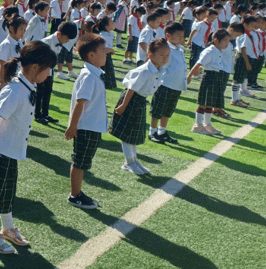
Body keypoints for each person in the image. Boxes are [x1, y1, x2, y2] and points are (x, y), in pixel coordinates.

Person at [0, 41, 57, 255]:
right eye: (48, 69)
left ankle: (7, 228)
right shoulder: (14, 90)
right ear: (35, 68)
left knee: (5, 194)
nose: (49, 74)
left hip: (9, 151)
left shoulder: (27, 88)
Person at [110, 38, 170, 176]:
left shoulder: (158, 69)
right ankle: (129, 162)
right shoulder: (145, 71)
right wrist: (123, 106)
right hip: (131, 100)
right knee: (127, 135)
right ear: (150, 55)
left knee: (134, 134)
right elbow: (132, 89)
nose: (165, 58)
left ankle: (133, 161)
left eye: (167, 55)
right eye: (161, 55)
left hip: (140, 101)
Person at [64, 34, 109, 210]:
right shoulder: (89, 76)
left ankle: (78, 193)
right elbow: (80, 102)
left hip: (92, 126)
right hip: (86, 127)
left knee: (83, 161)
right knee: (79, 161)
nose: (106, 54)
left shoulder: (94, 74)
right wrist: (73, 125)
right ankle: (75, 195)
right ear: (91, 55)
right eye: (103, 51)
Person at [188, 29, 232, 136]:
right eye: (225, 40)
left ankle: (207, 124)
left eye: (228, 41)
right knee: (203, 103)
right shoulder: (210, 51)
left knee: (210, 103)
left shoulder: (218, 51)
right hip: (209, 78)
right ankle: (197, 125)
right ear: (216, 40)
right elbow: (199, 63)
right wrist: (189, 76)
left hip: (216, 77)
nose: (227, 43)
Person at [149, 22, 188, 144]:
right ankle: (152, 131)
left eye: (182, 36)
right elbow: (162, 68)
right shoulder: (168, 50)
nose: (181, 39)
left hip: (176, 87)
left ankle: (162, 131)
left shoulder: (180, 49)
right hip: (165, 85)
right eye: (178, 36)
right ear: (168, 36)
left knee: (168, 110)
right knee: (157, 110)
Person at [35, 21, 78, 124]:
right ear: (59, 34)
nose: (67, 41)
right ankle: (37, 115)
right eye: (67, 38)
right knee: (40, 92)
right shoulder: (46, 42)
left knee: (48, 92)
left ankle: (45, 113)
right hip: (41, 70)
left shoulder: (60, 41)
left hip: (50, 69)